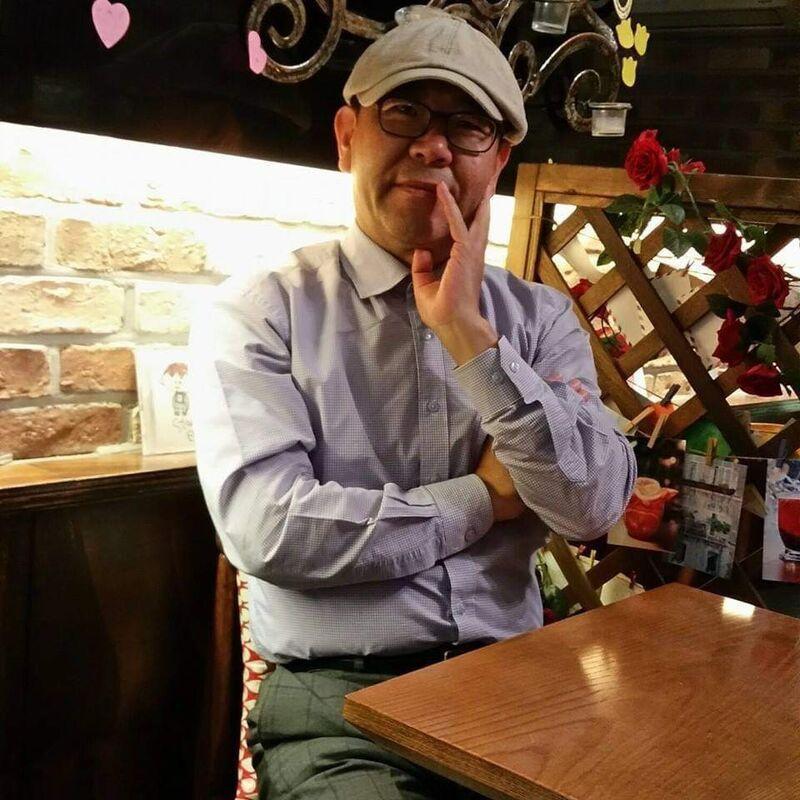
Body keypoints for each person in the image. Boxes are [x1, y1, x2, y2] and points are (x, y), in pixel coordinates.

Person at [188, 7, 637, 799]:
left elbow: (593, 504)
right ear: (346, 136)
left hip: (519, 689)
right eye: (404, 112)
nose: (433, 146)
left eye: (468, 126)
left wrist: (470, 337)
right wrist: (480, 499)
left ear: (497, 160)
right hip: (341, 708)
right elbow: (270, 528)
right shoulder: (262, 311)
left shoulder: (538, 320)